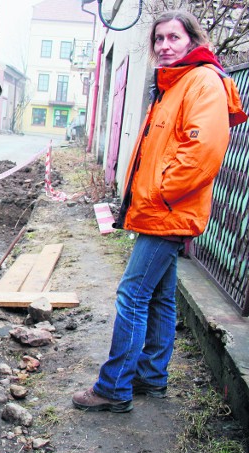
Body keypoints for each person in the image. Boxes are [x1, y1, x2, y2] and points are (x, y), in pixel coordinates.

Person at [72, 10, 247, 413]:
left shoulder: (202, 81)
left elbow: (202, 152)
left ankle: (114, 387)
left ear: (192, 40)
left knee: (132, 295)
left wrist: (161, 195)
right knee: (160, 298)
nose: (165, 46)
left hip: (167, 213)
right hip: (161, 210)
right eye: (159, 40)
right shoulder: (175, 83)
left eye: (174, 38)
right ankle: (151, 377)